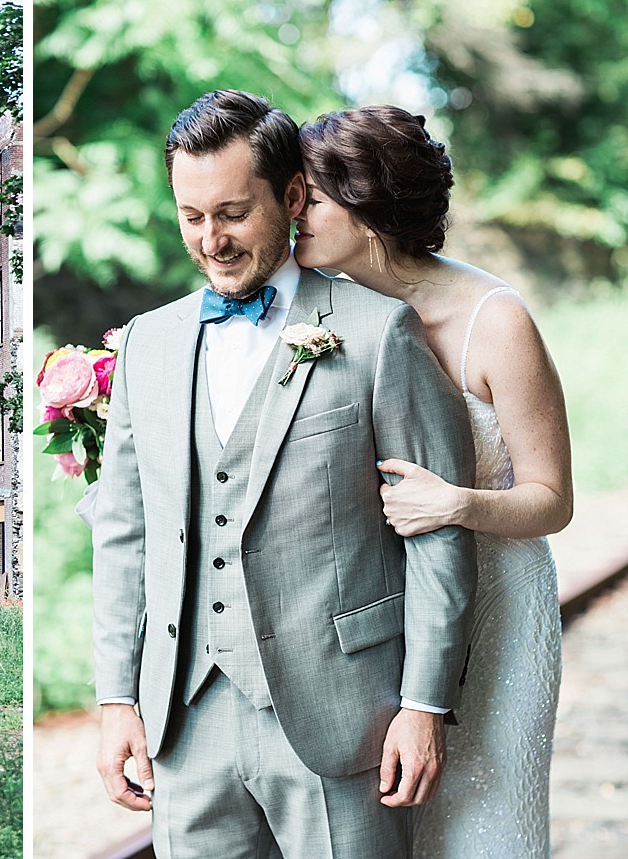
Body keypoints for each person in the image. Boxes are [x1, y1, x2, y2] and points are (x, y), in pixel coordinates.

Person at [92, 88, 478, 858]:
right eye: (192, 217)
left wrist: (424, 703)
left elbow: (435, 532)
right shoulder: (146, 344)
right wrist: (115, 697)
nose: (213, 240)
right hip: (185, 722)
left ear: (293, 195)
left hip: (346, 716)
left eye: (233, 213)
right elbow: (123, 532)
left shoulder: (377, 332)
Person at [295, 105, 571, 858]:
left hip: (498, 611)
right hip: (382, 621)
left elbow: (553, 500)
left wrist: (457, 502)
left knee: (487, 821)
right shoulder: (319, 310)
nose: (295, 215)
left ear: (367, 205)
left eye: (311, 198)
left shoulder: (496, 320)